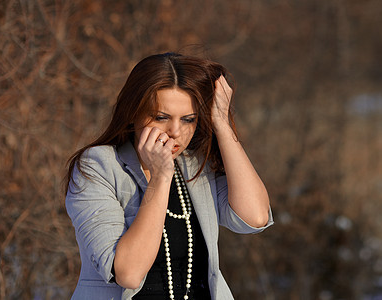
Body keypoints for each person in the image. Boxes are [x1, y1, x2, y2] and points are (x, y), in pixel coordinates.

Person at [64, 52, 273, 300]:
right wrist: (161, 177)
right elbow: (128, 273)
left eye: (188, 119)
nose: (175, 131)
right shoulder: (98, 166)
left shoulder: (194, 165)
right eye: (161, 117)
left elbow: (255, 217)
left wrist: (221, 123)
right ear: (134, 113)